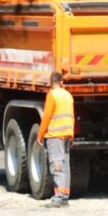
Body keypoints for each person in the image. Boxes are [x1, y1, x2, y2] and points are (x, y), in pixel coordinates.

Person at [37, 71, 75, 207]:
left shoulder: (52, 95)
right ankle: (64, 196)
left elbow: (47, 116)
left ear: (50, 83)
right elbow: (71, 116)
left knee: (57, 164)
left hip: (55, 134)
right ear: (62, 82)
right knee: (65, 165)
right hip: (66, 134)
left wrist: (40, 134)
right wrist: (72, 135)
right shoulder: (68, 95)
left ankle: (58, 198)